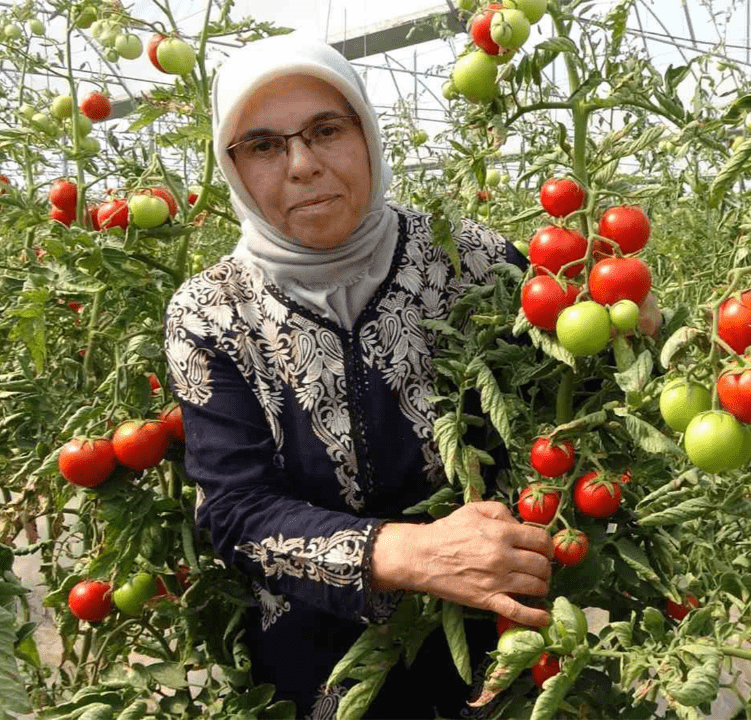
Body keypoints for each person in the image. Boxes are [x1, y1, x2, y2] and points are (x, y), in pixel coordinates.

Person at [162, 35, 554, 719]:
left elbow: (565, 411)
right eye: (261, 145)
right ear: (232, 167)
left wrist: (628, 327)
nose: (302, 165)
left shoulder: (472, 259)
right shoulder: (211, 311)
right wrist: (410, 552)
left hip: (501, 647)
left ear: (368, 134)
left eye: (326, 130)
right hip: (319, 667)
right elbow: (235, 511)